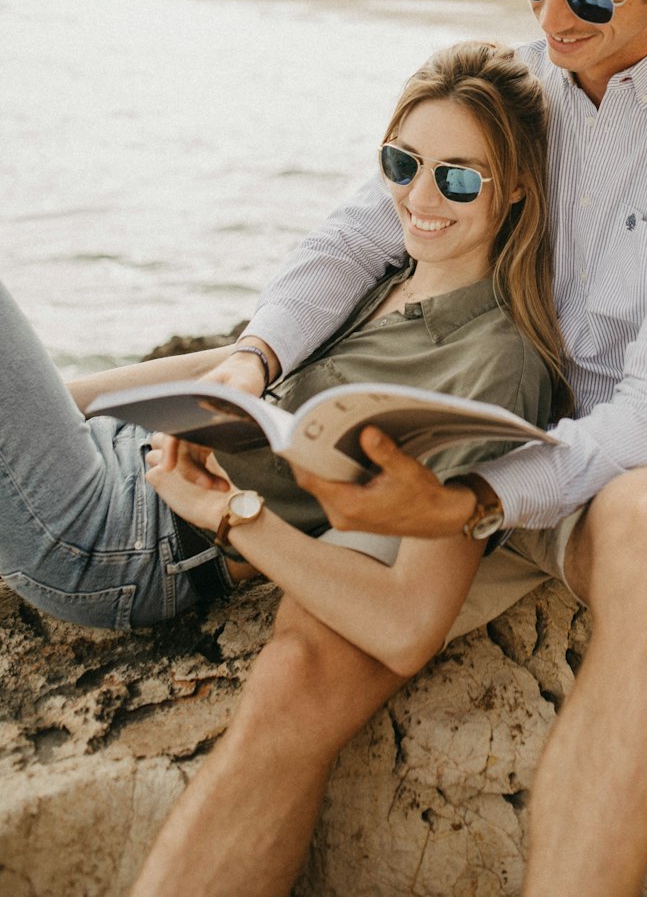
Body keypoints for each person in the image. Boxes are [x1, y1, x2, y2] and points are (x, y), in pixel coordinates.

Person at [133, 0, 647, 897]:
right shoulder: (520, 82)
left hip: (594, 471)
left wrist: (478, 503)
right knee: (297, 674)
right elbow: (356, 233)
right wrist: (253, 356)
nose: (548, 20)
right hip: (451, 424)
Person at [0, 41, 566, 680]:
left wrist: (226, 515)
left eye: (459, 178)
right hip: (110, 456)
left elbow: (409, 626)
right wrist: (49, 407)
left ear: (519, 188)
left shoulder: (497, 364)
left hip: (124, 543)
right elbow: (228, 370)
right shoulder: (395, 274)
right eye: (402, 163)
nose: (420, 198)